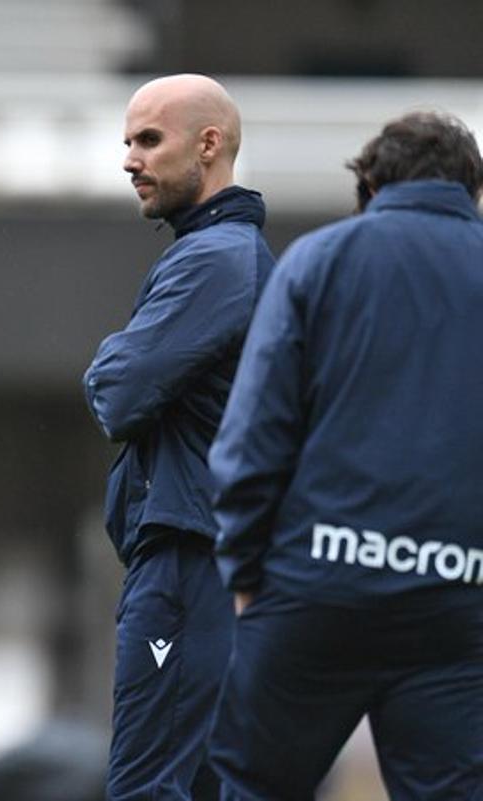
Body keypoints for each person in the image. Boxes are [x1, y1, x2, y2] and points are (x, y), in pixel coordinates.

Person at [207, 112, 483, 799]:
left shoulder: (319, 260)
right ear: (474, 190)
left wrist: (244, 571)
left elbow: (252, 437)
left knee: (252, 785)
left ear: (368, 183)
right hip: (459, 598)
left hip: (316, 582)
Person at [82, 74, 276, 800]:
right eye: (128, 141)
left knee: (147, 785)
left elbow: (117, 390)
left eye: (149, 140)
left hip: (190, 558)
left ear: (210, 144)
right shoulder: (220, 252)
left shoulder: (214, 259)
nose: (130, 158)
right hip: (208, 553)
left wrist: (110, 355)